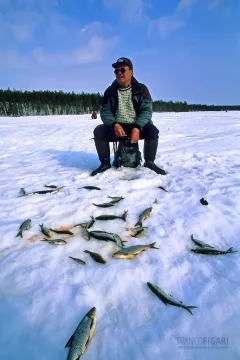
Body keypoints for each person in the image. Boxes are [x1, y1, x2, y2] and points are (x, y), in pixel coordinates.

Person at [91, 57, 166, 176]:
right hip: (118, 127)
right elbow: (105, 112)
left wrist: (137, 127)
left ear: (131, 72)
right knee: (99, 131)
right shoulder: (110, 91)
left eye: (122, 70)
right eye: (116, 71)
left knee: (152, 131)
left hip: (137, 126)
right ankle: (104, 164)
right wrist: (114, 125)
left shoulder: (141, 89)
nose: (119, 73)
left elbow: (146, 111)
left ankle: (149, 162)